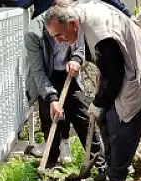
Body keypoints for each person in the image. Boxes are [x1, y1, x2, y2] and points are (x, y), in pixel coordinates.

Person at [44, 0, 141, 181]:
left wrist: (99, 102)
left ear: (72, 24)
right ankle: (110, 170)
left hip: (138, 66)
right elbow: (105, 65)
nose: (57, 41)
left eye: (58, 35)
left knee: (119, 122)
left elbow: (115, 76)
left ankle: (116, 179)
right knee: (104, 118)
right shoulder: (75, 16)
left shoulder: (100, 34)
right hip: (117, 66)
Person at [25, 0, 103, 170]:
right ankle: (51, 166)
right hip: (47, 77)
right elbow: (38, 72)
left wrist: (76, 60)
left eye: (61, 35)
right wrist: (52, 98)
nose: (59, 41)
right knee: (50, 120)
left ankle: (101, 165)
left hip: (69, 75)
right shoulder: (33, 33)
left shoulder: (74, 21)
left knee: (82, 116)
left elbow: (80, 48)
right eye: (55, 36)